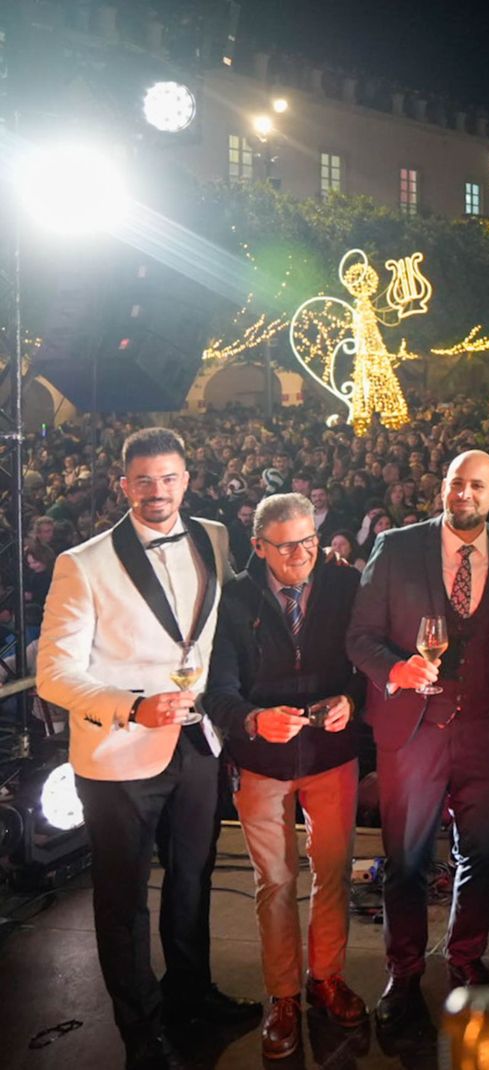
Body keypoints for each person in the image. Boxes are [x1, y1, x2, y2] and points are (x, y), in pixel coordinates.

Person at [37, 427, 259, 1070]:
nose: (157, 491)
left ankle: (191, 995)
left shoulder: (215, 536)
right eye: (144, 480)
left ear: (187, 479)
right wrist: (134, 706)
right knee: (123, 900)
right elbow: (54, 674)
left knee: (193, 881)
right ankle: (142, 1031)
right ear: (123, 485)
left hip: (195, 743)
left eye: (169, 478)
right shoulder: (83, 562)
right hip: (118, 754)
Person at [346, 450, 489, 1025]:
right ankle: (403, 973)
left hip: (488, 730)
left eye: (477, 486)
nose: (465, 494)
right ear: (443, 488)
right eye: (457, 483)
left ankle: (466, 960)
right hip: (413, 731)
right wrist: (396, 670)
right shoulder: (398, 545)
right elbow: (360, 637)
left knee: (481, 854)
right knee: (405, 859)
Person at [206, 493, 368, 1058]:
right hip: (263, 761)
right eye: (287, 545)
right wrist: (252, 720)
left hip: (332, 754)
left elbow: (366, 662)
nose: (302, 554)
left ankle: (326, 977)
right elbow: (217, 690)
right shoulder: (235, 600)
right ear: (258, 547)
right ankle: (281, 995)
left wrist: (352, 699)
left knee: (334, 871)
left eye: (310, 541)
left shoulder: (345, 585)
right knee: (274, 882)